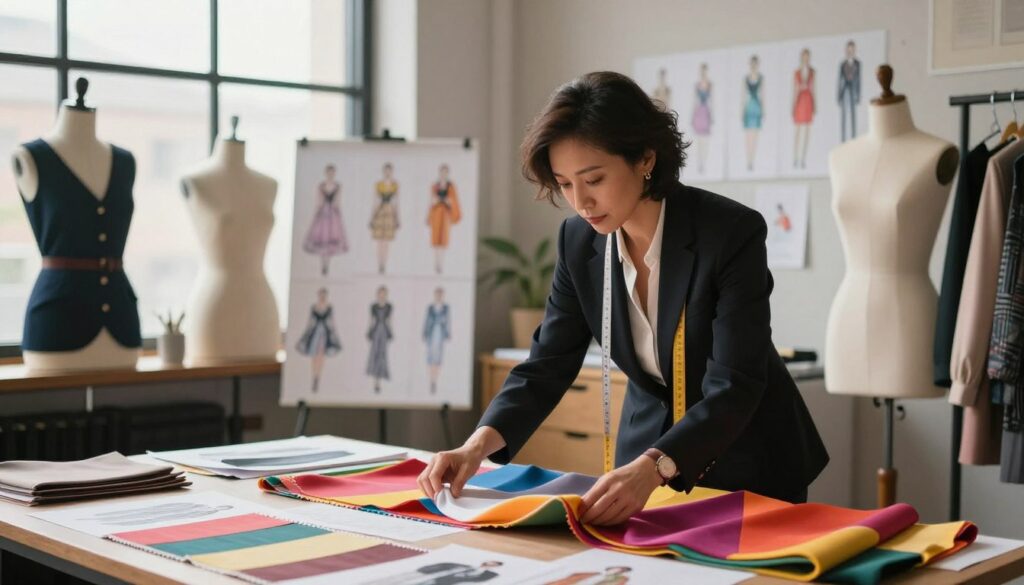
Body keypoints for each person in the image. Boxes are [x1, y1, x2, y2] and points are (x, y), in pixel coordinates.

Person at [418, 71, 828, 526]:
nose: (581, 202)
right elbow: (548, 362)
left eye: (593, 179)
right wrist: (475, 446)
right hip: (643, 457)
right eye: (565, 184)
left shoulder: (729, 234)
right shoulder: (580, 241)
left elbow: (735, 383)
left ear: (645, 159)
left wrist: (657, 465)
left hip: (747, 454)